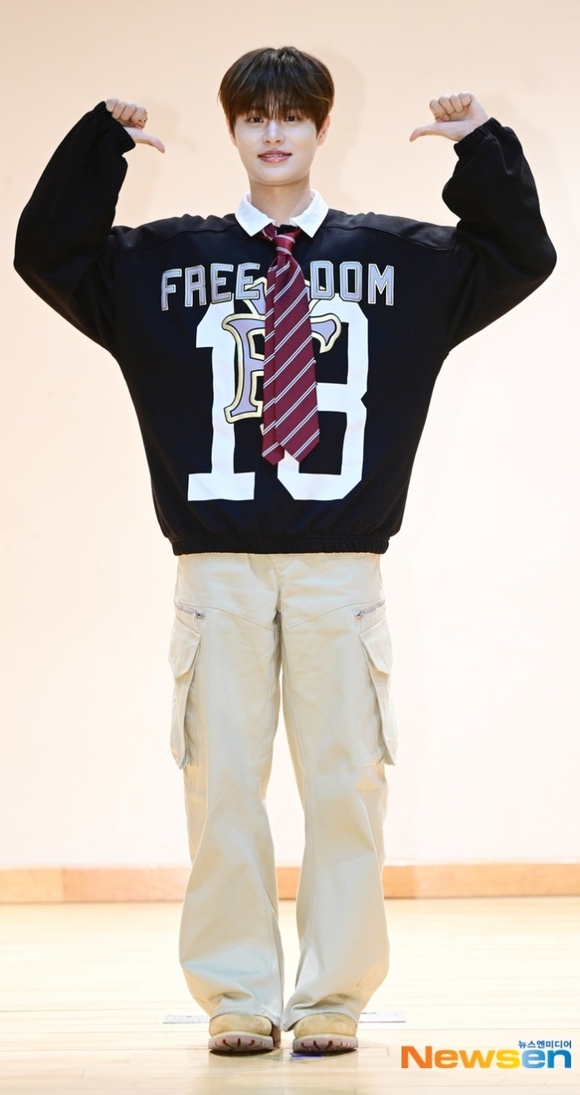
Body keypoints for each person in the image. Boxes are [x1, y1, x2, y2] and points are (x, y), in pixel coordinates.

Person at [14, 46, 556, 1057]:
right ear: (232, 129)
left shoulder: (395, 259)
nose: (274, 133)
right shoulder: (166, 262)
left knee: (346, 787)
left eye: (293, 115)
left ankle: (332, 996)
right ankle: (235, 994)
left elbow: (517, 255)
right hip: (214, 571)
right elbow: (47, 252)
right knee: (221, 788)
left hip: (339, 572)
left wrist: (481, 146)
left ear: (321, 127)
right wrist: (97, 147)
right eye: (255, 116)